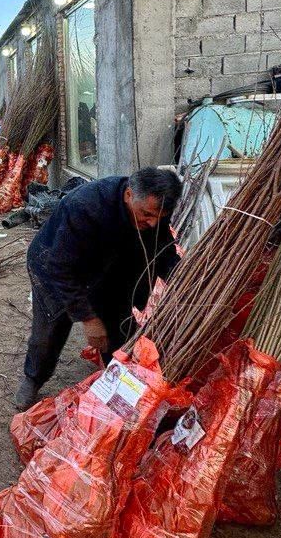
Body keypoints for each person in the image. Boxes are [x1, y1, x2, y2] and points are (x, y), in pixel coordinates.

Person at [14, 166, 182, 410]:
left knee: (119, 326)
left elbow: (163, 250)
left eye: (159, 216)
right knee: (50, 330)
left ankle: (115, 381)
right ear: (128, 195)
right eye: (147, 214)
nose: (153, 222)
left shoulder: (154, 210)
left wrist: (180, 277)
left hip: (106, 267)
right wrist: (88, 318)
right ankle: (33, 377)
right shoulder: (86, 206)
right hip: (54, 264)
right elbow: (60, 268)